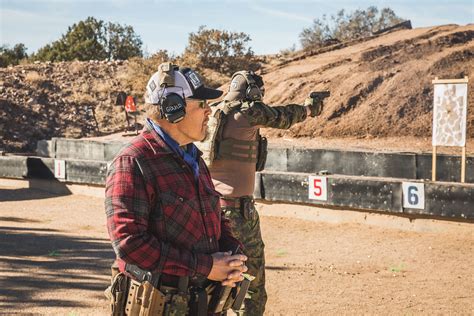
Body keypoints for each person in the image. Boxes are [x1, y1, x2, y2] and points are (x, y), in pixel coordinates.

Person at [105, 62, 248, 315]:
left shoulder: (193, 158)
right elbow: (129, 243)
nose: (209, 112)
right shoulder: (133, 161)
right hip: (158, 305)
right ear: (174, 109)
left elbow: (212, 216)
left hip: (201, 303)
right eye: (201, 105)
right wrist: (204, 266)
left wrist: (233, 252)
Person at [197, 70, 327, 316]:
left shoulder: (212, 112)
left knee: (217, 280)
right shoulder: (248, 112)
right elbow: (284, 116)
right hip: (238, 212)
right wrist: (311, 108)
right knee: (253, 285)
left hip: (210, 209)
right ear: (253, 93)